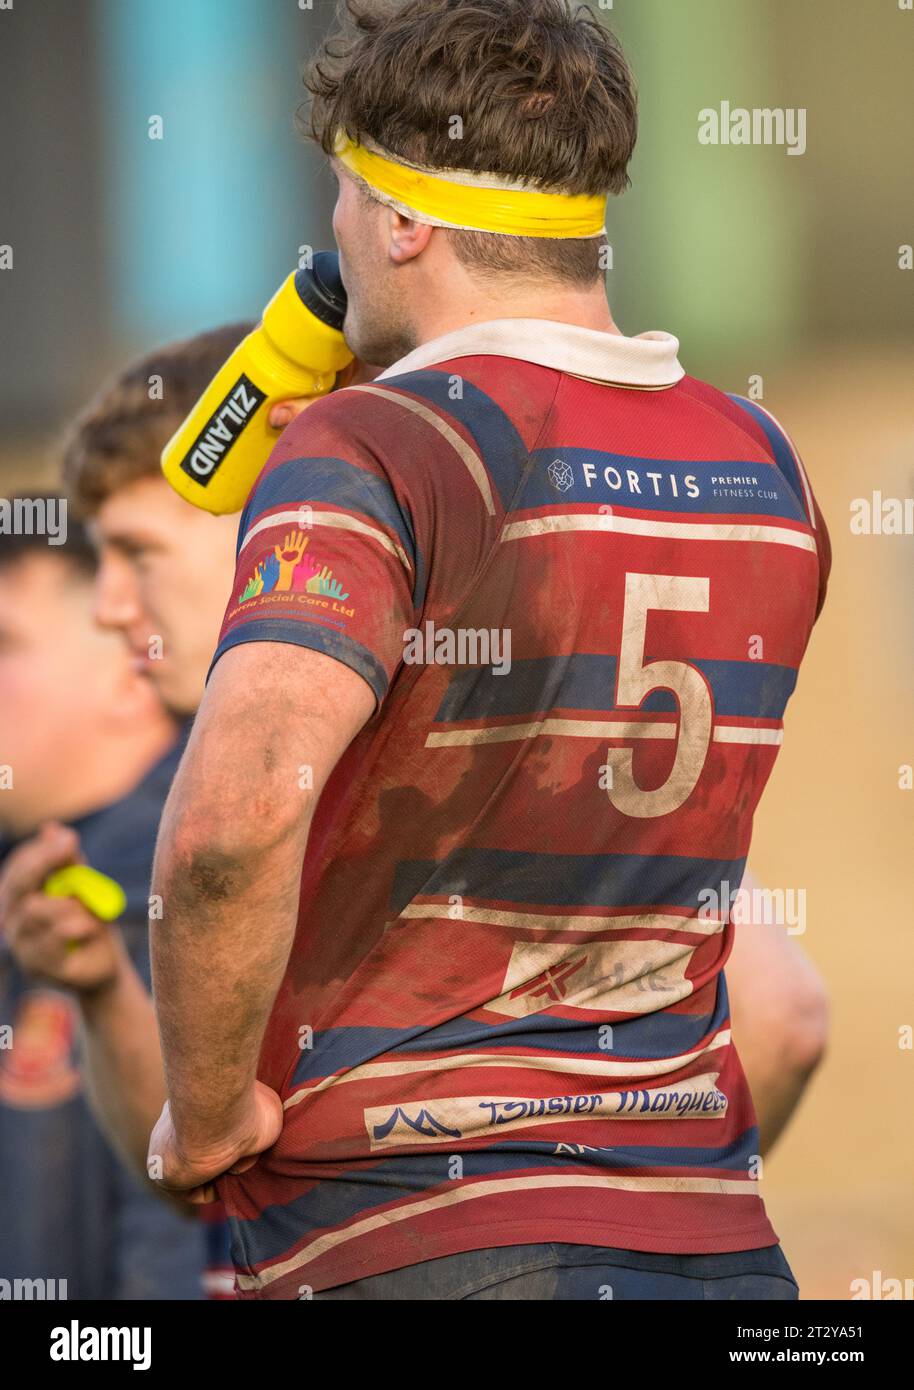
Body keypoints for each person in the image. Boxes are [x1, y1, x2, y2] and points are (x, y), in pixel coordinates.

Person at [146, 0, 831, 1300]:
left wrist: (207, 1109)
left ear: (399, 223)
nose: (333, 234)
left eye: (343, 198)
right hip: (714, 1244)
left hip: (413, 1232)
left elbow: (230, 827)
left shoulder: (371, 452)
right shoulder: (767, 466)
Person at [0, 510, 210, 1299]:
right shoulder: (31, 884)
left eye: (5, 643)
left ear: (132, 669)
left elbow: (179, 1240)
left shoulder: (190, 895)